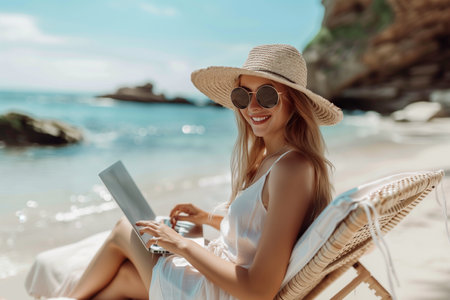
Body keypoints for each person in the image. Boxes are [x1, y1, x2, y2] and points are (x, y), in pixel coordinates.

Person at [68, 44, 343, 300]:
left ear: (294, 101)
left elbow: (259, 290)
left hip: (221, 292)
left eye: (267, 95)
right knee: (125, 278)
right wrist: (206, 217)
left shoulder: (292, 168)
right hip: (220, 281)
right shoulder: (273, 159)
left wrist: (181, 245)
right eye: (242, 96)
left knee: (125, 229)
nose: (252, 107)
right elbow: (260, 227)